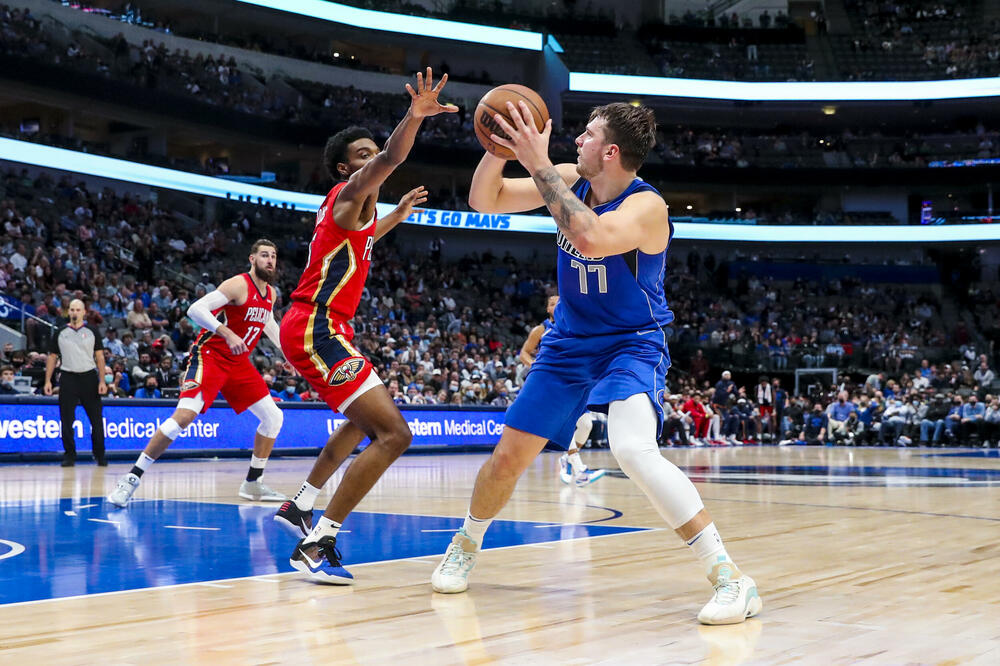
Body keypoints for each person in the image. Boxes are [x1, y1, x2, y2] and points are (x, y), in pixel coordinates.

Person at [430, 101, 761, 625]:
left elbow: (590, 237)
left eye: (587, 134)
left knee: (632, 448)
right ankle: (466, 545)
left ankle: (730, 578)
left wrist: (536, 163)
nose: (575, 140)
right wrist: (499, 148)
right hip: (569, 343)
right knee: (507, 459)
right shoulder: (566, 179)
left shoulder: (647, 207)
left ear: (610, 151)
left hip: (630, 342)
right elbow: (482, 199)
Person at [273, 68, 456, 585]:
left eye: (371, 152)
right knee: (395, 434)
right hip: (315, 326)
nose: (372, 158)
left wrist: (397, 212)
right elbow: (392, 158)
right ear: (343, 169)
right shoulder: (346, 196)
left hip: (323, 327)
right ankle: (319, 541)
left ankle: (300, 506)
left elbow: (370, 234)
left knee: (361, 422)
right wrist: (413, 117)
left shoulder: (360, 218)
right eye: (362, 155)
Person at [107, 240, 289, 507]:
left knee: (273, 417)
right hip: (211, 355)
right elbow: (195, 309)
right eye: (264, 255)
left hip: (238, 363)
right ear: (252, 259)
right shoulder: (238, 284)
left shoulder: (270, 293)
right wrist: (226, 332)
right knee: (184, 416)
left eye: (273, 256)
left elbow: (269, 324)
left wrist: (287, 354)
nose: (270, 260)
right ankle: (131, 479)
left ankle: (253, 483)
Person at [519, 294, 604, 486]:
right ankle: (580, 471)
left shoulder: (574, 327)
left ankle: (567, 459)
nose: (556, 305)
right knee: (565, 423)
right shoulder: (540, 330)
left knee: (586, 425)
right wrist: (536, 366)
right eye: (551, 303)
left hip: (575, 381)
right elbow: (524, 352)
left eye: (559, 302)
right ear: (548, 309)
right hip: (551, 382)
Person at [45, 299, 108, 466]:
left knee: (96, 420)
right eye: (72, 309)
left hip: (89, 378)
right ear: (68, 312)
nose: (74, 312)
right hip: (68, 377)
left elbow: (100, 357)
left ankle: (100, 455)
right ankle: (70, 455)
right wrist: (47, 381)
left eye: (78, 310)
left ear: (83, 312)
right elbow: (52, 357)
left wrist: (102, 380)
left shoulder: (92, 331)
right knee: (66, 420)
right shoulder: (60, 332)